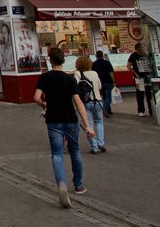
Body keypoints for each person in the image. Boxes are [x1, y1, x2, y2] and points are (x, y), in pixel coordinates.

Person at [34, 47, 95, 209]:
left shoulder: (45, 78)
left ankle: (61, 183)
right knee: (75, 151)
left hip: (53, 120)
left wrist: (44, 104)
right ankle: (79, 185)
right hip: (71, 120)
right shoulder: (70, 79)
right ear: (63, 61)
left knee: (57, 154)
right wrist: (88, 125)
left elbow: (36, 97)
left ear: (50, 60)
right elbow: (78, 102)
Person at [74, 55, 106, 154]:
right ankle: (101, 142)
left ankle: (94, 146)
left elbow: (74, 87)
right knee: (99, 121)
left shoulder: (78, 73)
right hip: (97, 100)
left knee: (89, 124)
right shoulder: (94, 73)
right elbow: (100, 86)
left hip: (85, 102)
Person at [127, 43, 151, 117]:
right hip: (139, 78)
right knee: (140, 94)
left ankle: (151, 110)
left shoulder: (145, 55)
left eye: (143, 47)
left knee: (148, 93)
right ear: (137, 48)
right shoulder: (133, 56)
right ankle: (141, 110)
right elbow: (128, 65)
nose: (142, 49)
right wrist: (135, 73)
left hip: (147, 77)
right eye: (141, 47)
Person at [92, 51, 115, 116]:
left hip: (99, 82)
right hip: (107, 81)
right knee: (108, 97)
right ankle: (105, 109)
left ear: (96, 56)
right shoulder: (107, 63)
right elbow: (111, 73)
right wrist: (113, 81)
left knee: (104, 96)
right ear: (102, 55)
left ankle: (109, 110)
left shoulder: (94, 64)